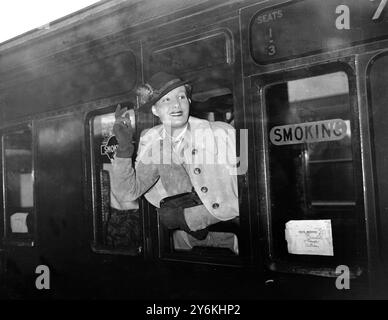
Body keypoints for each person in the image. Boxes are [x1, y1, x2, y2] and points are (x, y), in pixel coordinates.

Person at [110, 72, 239, 252]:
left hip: (236, 234)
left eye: (181, 97)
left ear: (189, 101)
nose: (176, 104)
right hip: (188, 243)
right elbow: (127, 193)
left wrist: (188, 217)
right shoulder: (154, 144)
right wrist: (123, 148)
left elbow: (249, 190)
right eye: (166, 100)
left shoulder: (224, 133)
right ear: (155, 110)